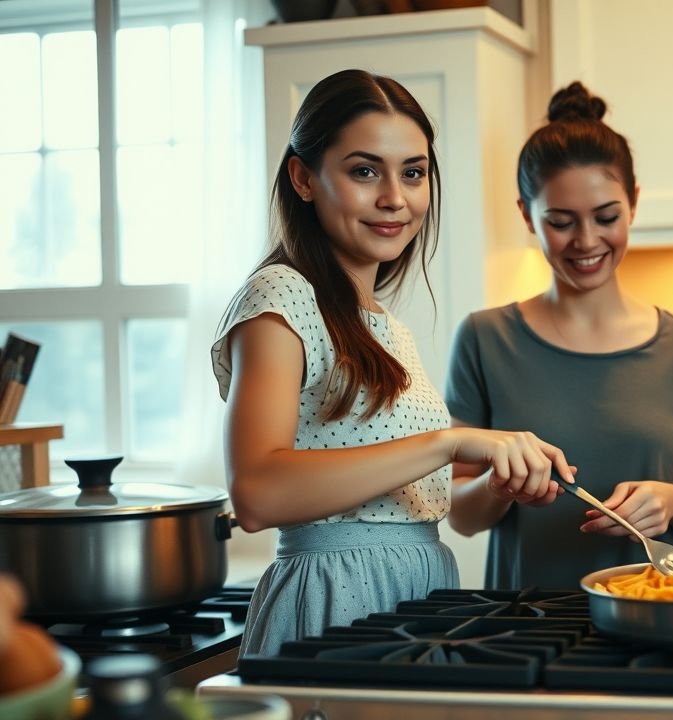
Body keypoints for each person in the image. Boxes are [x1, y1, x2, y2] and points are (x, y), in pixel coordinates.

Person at [212, 69, 573, 655]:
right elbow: (256, 492)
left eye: (413, 173)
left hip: (416, 602)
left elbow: (410, 503)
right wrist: (449, 444)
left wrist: (501, 483)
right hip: (334, 605)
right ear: (303, 178)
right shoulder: (280, 296)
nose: (395, 198)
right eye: (364, 171)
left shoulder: (381, 324)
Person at [445, 82, 673, 590]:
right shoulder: (484, 338)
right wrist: (501, 484)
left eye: (606, 217)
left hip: (659, 621)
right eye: (560, 222)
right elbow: (462, 517)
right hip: (523, 631)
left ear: (634, 203)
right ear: (525, 215)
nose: (586, 242)